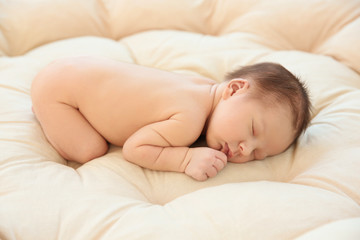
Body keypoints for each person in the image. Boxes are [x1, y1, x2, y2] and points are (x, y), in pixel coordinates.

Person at [31, 56, 311, 181]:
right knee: (90, 150)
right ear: (234, 89)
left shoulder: (202, 87)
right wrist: (185, 159)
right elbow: (135, 149)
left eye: (258, 154)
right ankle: (43, 109)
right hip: (59, 92)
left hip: (74, 67)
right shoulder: (187, 120)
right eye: (252, 129)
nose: (245, 149)